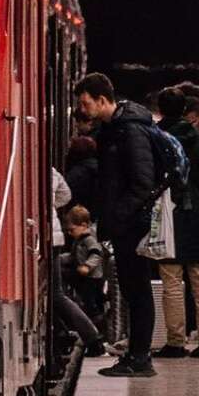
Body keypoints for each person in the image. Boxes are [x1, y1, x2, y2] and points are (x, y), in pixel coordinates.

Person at [75, 73, 159, 377]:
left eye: (86, 103)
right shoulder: (114, 129)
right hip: (125, 223)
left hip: (133, 224)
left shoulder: (131, 130)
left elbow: (141, 182)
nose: (83, 109)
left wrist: (118, 217)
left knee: (138, 291)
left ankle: (140, 358)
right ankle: (136, 355)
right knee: (133, 289)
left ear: (101, 99)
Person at [155, 91, 199, 358]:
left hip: (166, 217)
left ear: (160, 110)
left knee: (171, 281)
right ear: (186, 109)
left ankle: (175, 342)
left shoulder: (154, 140)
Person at [61, 204, 108, 322]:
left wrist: (87, 265)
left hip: (92, 277)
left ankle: (97, 323)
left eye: (72, 229)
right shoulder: (79, 240)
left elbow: (96, 254)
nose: (70, 233)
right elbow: (74, 256)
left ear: (83, 225)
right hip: (86, 276)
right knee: (86, 300)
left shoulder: (89, 239)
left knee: (91, 302)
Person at [62, 135, 100, 225]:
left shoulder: (76, 172)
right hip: (95, 215)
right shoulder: (100, 168)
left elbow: (67, 194)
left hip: (78, 216)